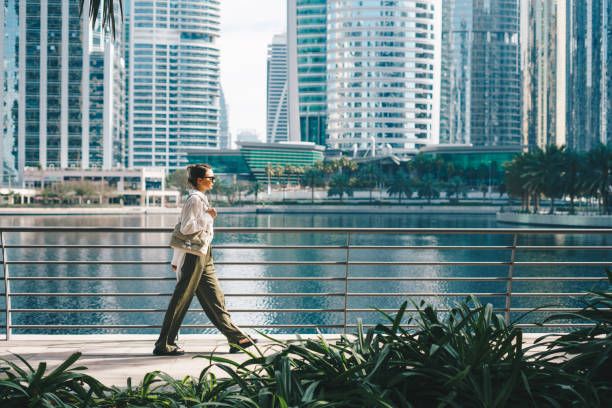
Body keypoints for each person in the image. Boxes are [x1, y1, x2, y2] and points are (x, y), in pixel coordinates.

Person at [153, 163, 256, 355]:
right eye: (210, 178)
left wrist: (208, 217)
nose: (213, 181)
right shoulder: (194, 200)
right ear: (199, 180)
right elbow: (186, 228)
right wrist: (208, 217)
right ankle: (163, 345)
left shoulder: (201, 198)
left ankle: (236, 338)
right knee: (181, 299)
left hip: (204, 253)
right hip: (194, 255)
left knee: (215, 297)